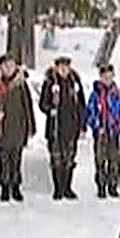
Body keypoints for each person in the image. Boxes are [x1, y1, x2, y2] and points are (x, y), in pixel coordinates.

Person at [0, 52, 36, 202]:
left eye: (11, 65)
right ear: (0, 68)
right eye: (5, 66)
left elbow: (28, 106)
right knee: (3, 159)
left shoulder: (21, 85)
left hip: (18, 127)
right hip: (2, 130)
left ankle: (16, 186)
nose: (8, 68)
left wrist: (31, 125)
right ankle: (5, 186)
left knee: (16, 159)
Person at [38, 55, 86, 200]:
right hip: (56, 127)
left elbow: (81, 105)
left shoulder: (75, 83)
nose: (64, 70)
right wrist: (50, 108)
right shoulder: (51, 82)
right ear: (56, 68)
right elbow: (43, 103)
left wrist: (82, 124)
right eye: (61, 67)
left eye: (66, 67)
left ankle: (68, 187)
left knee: (69, 158)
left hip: (72, 127)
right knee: (56, 158)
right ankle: (58, 188)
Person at [85, 63, 120, 198]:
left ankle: (113, 185)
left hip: (114, 132)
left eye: (110, 77)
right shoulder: (95, 94)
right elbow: (90, 113)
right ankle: (101, 186)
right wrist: (96, 126)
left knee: (113, 160)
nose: (107, 80)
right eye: (105, 77)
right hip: (101, 133)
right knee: (100, 161)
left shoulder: (118, 94)